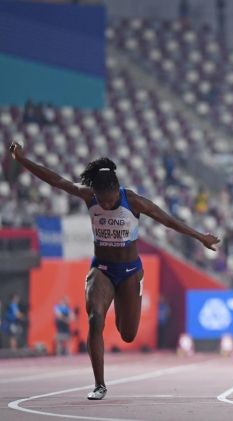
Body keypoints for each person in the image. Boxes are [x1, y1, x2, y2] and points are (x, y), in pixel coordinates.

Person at [8, 141, 220, 400]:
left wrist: (200, 237)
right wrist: (22, 160)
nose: (106, 206)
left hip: (130, 271)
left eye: (109, 202)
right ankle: (99, 384)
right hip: (102, 269)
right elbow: (56, 180)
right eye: (102, 202)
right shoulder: (89, 196)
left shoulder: (133, 201)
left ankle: (121, 300)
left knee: (128, 334)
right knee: (95, 319)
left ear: (116, 191)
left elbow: (167, 220)